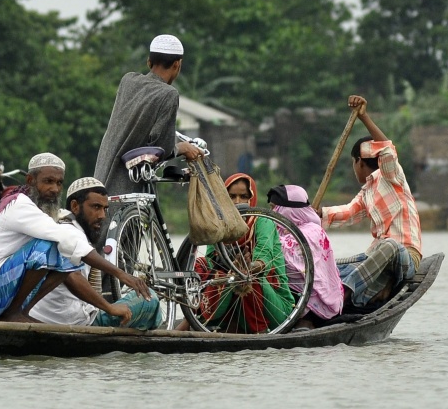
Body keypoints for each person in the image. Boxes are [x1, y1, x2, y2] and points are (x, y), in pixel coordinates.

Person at [0, 152, 151, 323]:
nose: (55, 189)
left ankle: (20, 312)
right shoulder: (19, 205)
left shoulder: (40, 212)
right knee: (53, 245)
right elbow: (65, 239)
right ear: (31, 181)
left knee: (63, 252)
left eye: (59, 183)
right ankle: (15, 313)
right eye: (48, 181)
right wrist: (120, 275)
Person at [318, 95, 422, 307]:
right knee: (335, 265)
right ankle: (348, 299)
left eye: (353, 163)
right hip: (377, 259)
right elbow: (346, 213)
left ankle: (344, 293)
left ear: (359, 162)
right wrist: (313, 213)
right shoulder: (366, 192)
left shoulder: (393, 178)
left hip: (405, 257)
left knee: (389, 245)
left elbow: (386, 150)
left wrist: (364, 117)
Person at [29, 177, 163, 329]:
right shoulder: (70, 232)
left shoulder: (59, 225)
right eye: (96, 207)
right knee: (149, 298)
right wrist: (110, 306)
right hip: (75, 322)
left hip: (45, 317)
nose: (102, 216)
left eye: (105, 209)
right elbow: (72, 276)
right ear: (75, 206)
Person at [179, 173, 294, 333]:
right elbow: (212, 260)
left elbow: (264, 258)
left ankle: (258, 332)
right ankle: (192, 318)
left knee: (246, 278)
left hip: (274, 307)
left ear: (251, 199)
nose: (237, 202)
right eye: (231, 196)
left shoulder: (263, 221)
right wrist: (230, 263)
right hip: (228, 292)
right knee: (201, 265)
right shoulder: (219, 224)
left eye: (243, 196)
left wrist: (247, 267)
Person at [93, 34, 203, 199]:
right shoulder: (168, 94)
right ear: (177, 64)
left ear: (149, 61)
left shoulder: (128, 81)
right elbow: (162, 148)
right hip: (129, 185)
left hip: (101, 177)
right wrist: (183, 148)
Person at [267, 185, 344, 329]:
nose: (272, 213)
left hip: (314, 304)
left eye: (274, 208)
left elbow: (287, 257)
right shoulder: (282, 231)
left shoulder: (312, 231)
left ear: (288, 210)